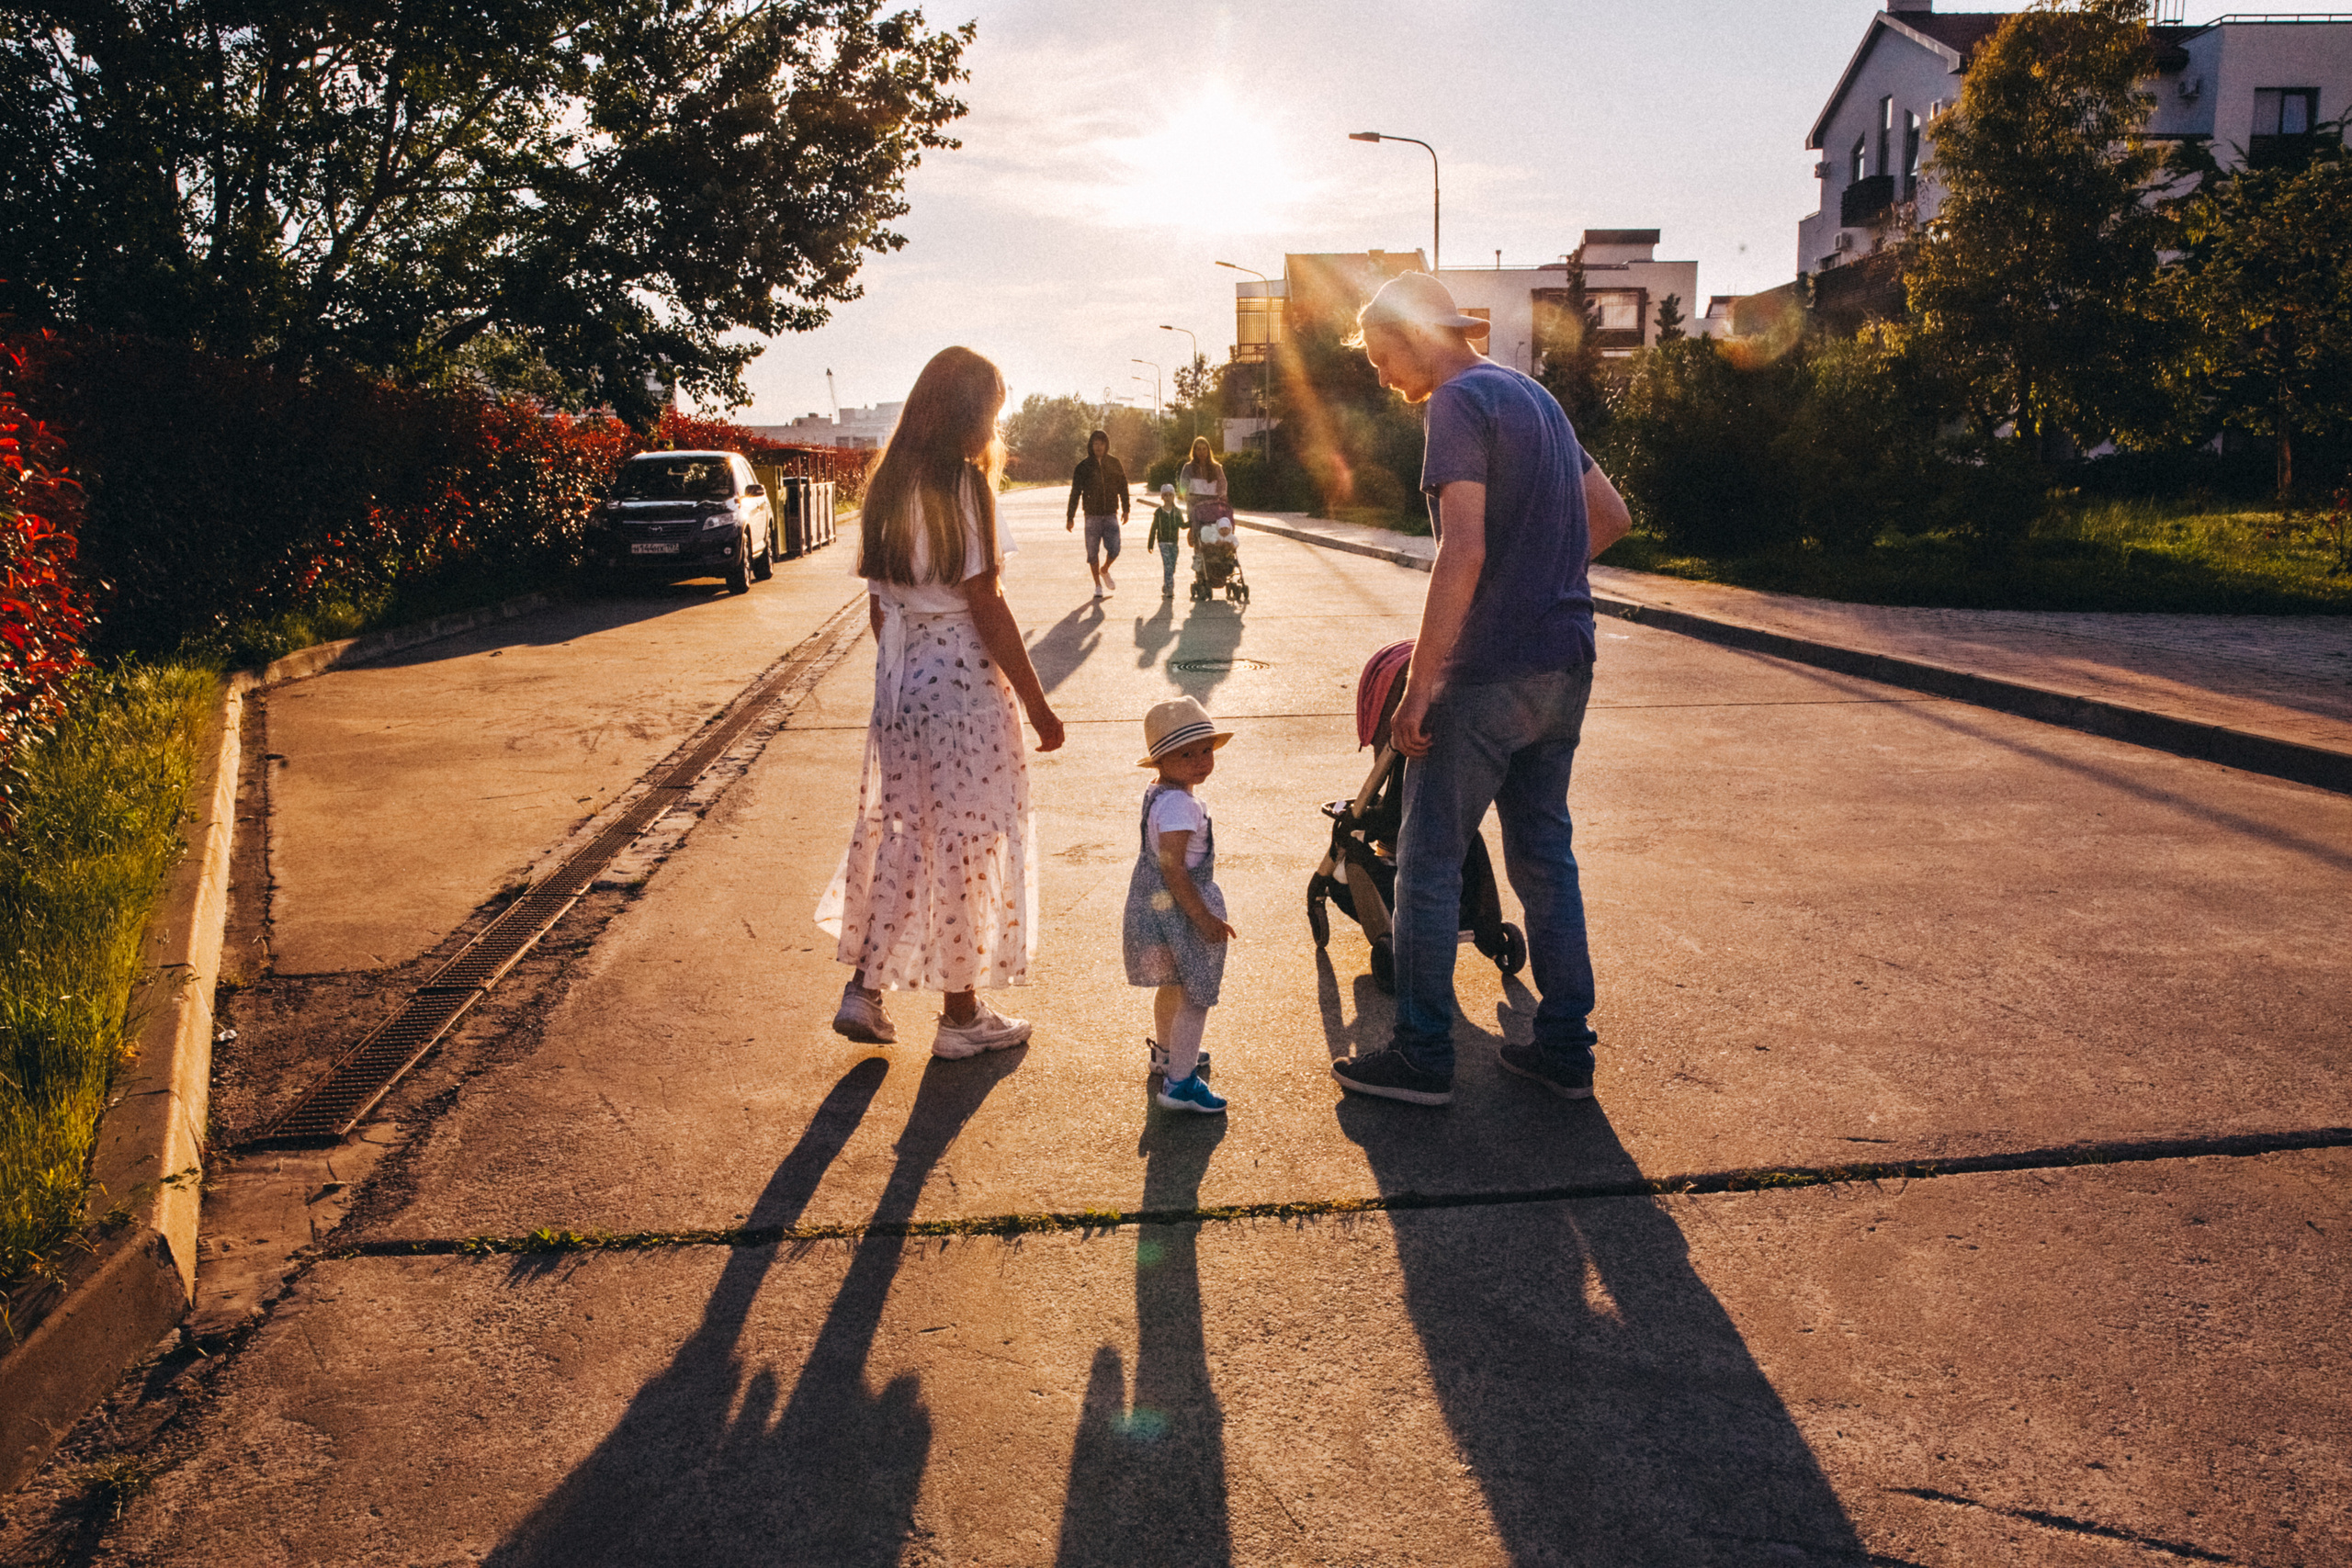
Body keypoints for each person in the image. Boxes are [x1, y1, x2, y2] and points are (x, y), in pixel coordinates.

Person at [1328, 273, 1633, 1109]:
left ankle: (1424, 1054)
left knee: (1425, 863)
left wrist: (1417, 690)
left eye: (1383, 356)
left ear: (1414, 334)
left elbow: (1460, 549)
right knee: (1544, 856)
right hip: (1566, 661)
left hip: (1488, 674)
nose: (1384, 376)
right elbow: (1609, 515)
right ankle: (1565, 1048)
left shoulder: (1456, 405)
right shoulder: (1533, 398)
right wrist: (1538, 582)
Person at [820, 346, 1067, 1058]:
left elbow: (877, 607)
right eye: (991, 410)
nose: (995, 422)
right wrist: (1039, 704)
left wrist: (906, 678)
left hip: (899, 685)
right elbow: (985, 603)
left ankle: (864, 990)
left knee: (905, 833)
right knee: (970, 840)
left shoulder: (888, 483)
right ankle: (961, 1017)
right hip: (962, 685)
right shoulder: (965, 487)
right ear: (969, 414)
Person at [1123, 697, 1235, 1113]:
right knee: (1195, 993)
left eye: (1206, 749)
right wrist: (1204, 918)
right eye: (1186, 754)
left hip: (1158, 910)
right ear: (1159, 761)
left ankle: (1168, 1055)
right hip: (1182, 911)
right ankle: (1180, 1084)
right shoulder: (1180, 806)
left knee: (1173, 984)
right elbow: (1173, 868)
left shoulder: (1160, 795)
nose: (1201, 761)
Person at [1066, 429, 1130, 599]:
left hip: (1110, 514)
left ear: (1106, 445)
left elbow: (1123, 487)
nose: (1098, 447)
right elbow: (1075, 493)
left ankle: (1105, 569)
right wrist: (1070, 517)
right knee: (1092, 552)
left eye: (1101, 443)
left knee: (1115, 549)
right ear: (1091, 445)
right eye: (1095, 443)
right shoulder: (1083, 467)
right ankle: (1097, 585)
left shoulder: (1115, 463)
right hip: (1091, 516)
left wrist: (1126, 508)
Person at [1178, 437, 1227, 537]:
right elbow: (1183, 485)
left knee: (1211, 535)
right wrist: (1187, 497)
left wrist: (1222, 496)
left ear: (1209, 451)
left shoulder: (1216, 468)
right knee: (1198, 535)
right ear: (1194, 451)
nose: (1202, 452)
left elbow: (1223, 483)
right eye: (1199, 449)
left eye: (1204, 449)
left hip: (1212, 507)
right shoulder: (1188, 468)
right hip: (1195, 507)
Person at [1147, 483, 1186, 596]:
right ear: (1162, 497)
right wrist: (1150, 543)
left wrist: (1192, 523)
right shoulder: (1159, 512)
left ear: (1173, 496)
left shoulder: (1177, 512)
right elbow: (1154, 528)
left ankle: (1166, 583)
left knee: (1172, 566)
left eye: (1170, 495)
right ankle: (1170, 589)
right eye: (1165, 495)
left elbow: (1182, 525)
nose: (1168, 497)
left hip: (1174, 542)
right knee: (1167, 565)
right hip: (1163, 542)